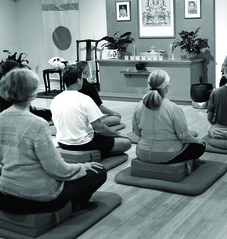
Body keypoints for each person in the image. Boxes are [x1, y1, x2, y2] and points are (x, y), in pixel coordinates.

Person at [0, 69, 106, 214]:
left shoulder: (1, 118)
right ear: (33, 92)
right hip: (39, 196)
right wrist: (82, 167)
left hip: (5, 193)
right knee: (99, 171)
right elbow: (58, 170)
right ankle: (77, 205)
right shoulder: (37, 124)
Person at [50, 65, 131, 159]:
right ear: (78, 80)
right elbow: (100, 128)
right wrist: (119, 134)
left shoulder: (55, 99)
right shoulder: (85, 99)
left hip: (62, 143)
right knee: (126, 143)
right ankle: (93, 155)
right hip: (83, 144)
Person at [132, 70, 206, 164]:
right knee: (200, 146)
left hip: (142, 153)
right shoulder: (173, 107)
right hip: (167, 155)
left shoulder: (138, 106)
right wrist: (198, 140)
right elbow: (184, 136)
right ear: (167, 87)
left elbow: (136, 132)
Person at [77, 61, 121, 127]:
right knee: (116, 118)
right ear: (86, 70)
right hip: (88, 120)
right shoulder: (89, 87)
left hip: (76, 117)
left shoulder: (72, 86)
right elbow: (99, 107)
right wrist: (113, 113)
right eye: (88, 69)